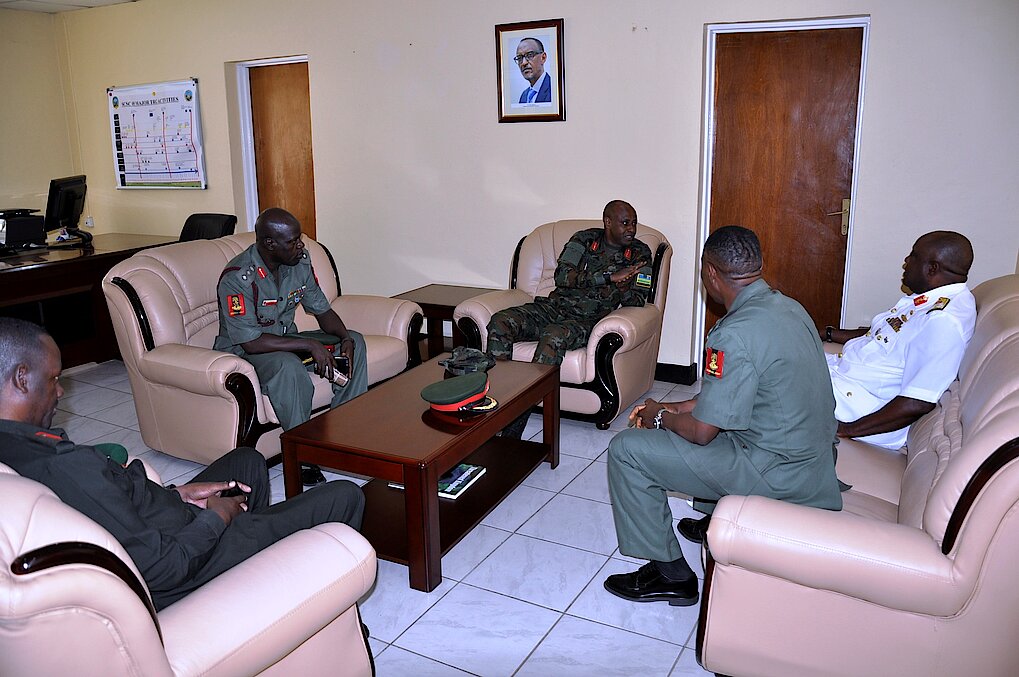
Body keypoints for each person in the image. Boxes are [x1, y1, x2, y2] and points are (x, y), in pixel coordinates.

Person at [0, 318, 365, 611]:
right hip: (185, 562)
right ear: (21, 378)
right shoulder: (64, 468)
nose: (60, 390)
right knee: (345, 496)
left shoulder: (18, 447)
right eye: (53, 379)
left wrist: (176, 494)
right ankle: (297, 588)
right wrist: (216, 518)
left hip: (165, 526)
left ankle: (262, 570)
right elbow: (162, 568)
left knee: (248, 462)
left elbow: (113, 502)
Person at [603, 226, 842, 606]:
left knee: (627, 450)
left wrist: (659, 418)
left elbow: (702, 432)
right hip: (813, 459)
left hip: (780, 474)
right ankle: (713, 519)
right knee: (720, 426)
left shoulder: (732, 334)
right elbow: (732, 396)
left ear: (711, 272)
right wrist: (674, 406)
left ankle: (669, 575)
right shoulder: (789, 308)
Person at [214, 207, 368, 486]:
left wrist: (344, 337)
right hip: (246, 352)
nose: (301, 246)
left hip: (286, 341)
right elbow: (251, 341)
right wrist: (308, 345)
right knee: (288, 366)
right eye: (293, 241)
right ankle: (301, 456)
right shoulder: (238, 277)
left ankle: (344, 436)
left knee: (355, 340)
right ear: (269, 243)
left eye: (300, 239)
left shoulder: (299, 263)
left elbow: (322, 310)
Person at [822, 230, 975, 450]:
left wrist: (846, 429)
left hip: (854, 405)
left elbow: (917, 402)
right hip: (842, 376)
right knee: (780, 353)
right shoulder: (930, 299)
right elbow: (882, 333)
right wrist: (828, 333)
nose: (905, 262)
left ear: (932, 268)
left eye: (913, 256)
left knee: (772, 380)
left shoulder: (944, 322)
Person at [487, 199, 653, 367]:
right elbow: (562, 276)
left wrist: (623, 288)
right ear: (608, 222)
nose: (631, 229)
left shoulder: (640, 253)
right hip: (553, 308)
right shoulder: (584, 239)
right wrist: (608, 277)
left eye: (634, 223)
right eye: (625, 223)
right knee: (501, 321)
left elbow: (638, 300)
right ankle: (501, 381)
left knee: (554, 336)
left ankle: (539, 385)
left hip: (587, 320)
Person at [515, 37, 552, 104]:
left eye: (530, 55)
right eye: (519, 58)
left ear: (543, 58)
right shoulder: (524, 96)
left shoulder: (554, 89)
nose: (523, 63)